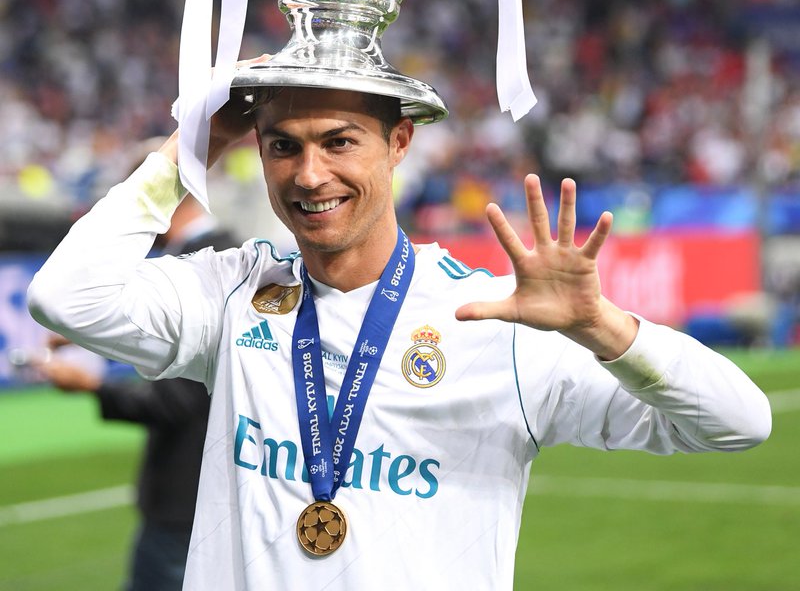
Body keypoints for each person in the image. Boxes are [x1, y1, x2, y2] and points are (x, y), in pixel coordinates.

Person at [28, 80, 771, 590]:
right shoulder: (234, 292)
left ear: (400, 143)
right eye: (282, 146)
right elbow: (64, 299)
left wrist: (603, 326)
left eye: (339, 142)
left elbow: (740, 423)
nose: (309, 174)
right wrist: (192, 146)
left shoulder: (496, 322)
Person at [34, 189, 235, 591]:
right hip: (205, 490)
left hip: (188, 493)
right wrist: (92, 335)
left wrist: (92, 387)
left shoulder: (206, 261)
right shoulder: (223, 255)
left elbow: (178, 401)